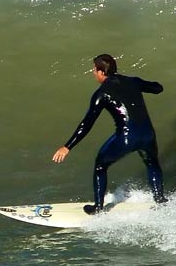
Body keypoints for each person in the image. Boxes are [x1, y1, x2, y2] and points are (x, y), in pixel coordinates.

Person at [52, 54, 168, 214]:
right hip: (148, 134)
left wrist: (67, 147)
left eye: (94, 69)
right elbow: (157, 88)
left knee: (100, 165)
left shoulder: (101, 94)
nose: (93, 72)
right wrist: (147, 85)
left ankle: (98, 208)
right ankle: (160, 200)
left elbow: (86, 123)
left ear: (101, 72)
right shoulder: (133, 81)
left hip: (128, 137)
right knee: (152, 163)